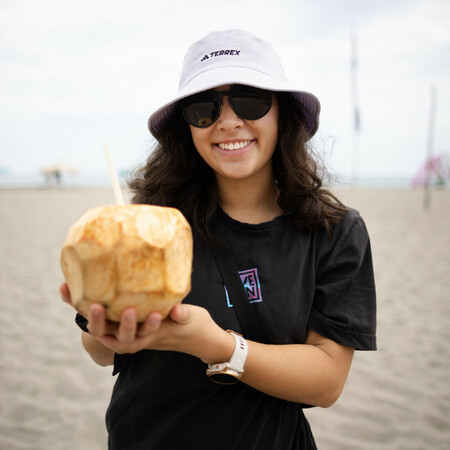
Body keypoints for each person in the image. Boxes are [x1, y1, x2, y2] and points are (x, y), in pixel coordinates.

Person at [60, 29, 376, 449]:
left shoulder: (334, 231)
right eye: (204, 108)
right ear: (186, 126)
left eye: (250, 99)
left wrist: (217, 346)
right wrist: (107, 329)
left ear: (282, 112)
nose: (228, 121)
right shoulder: (150, 222)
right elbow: (100, 351)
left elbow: (326, 381)